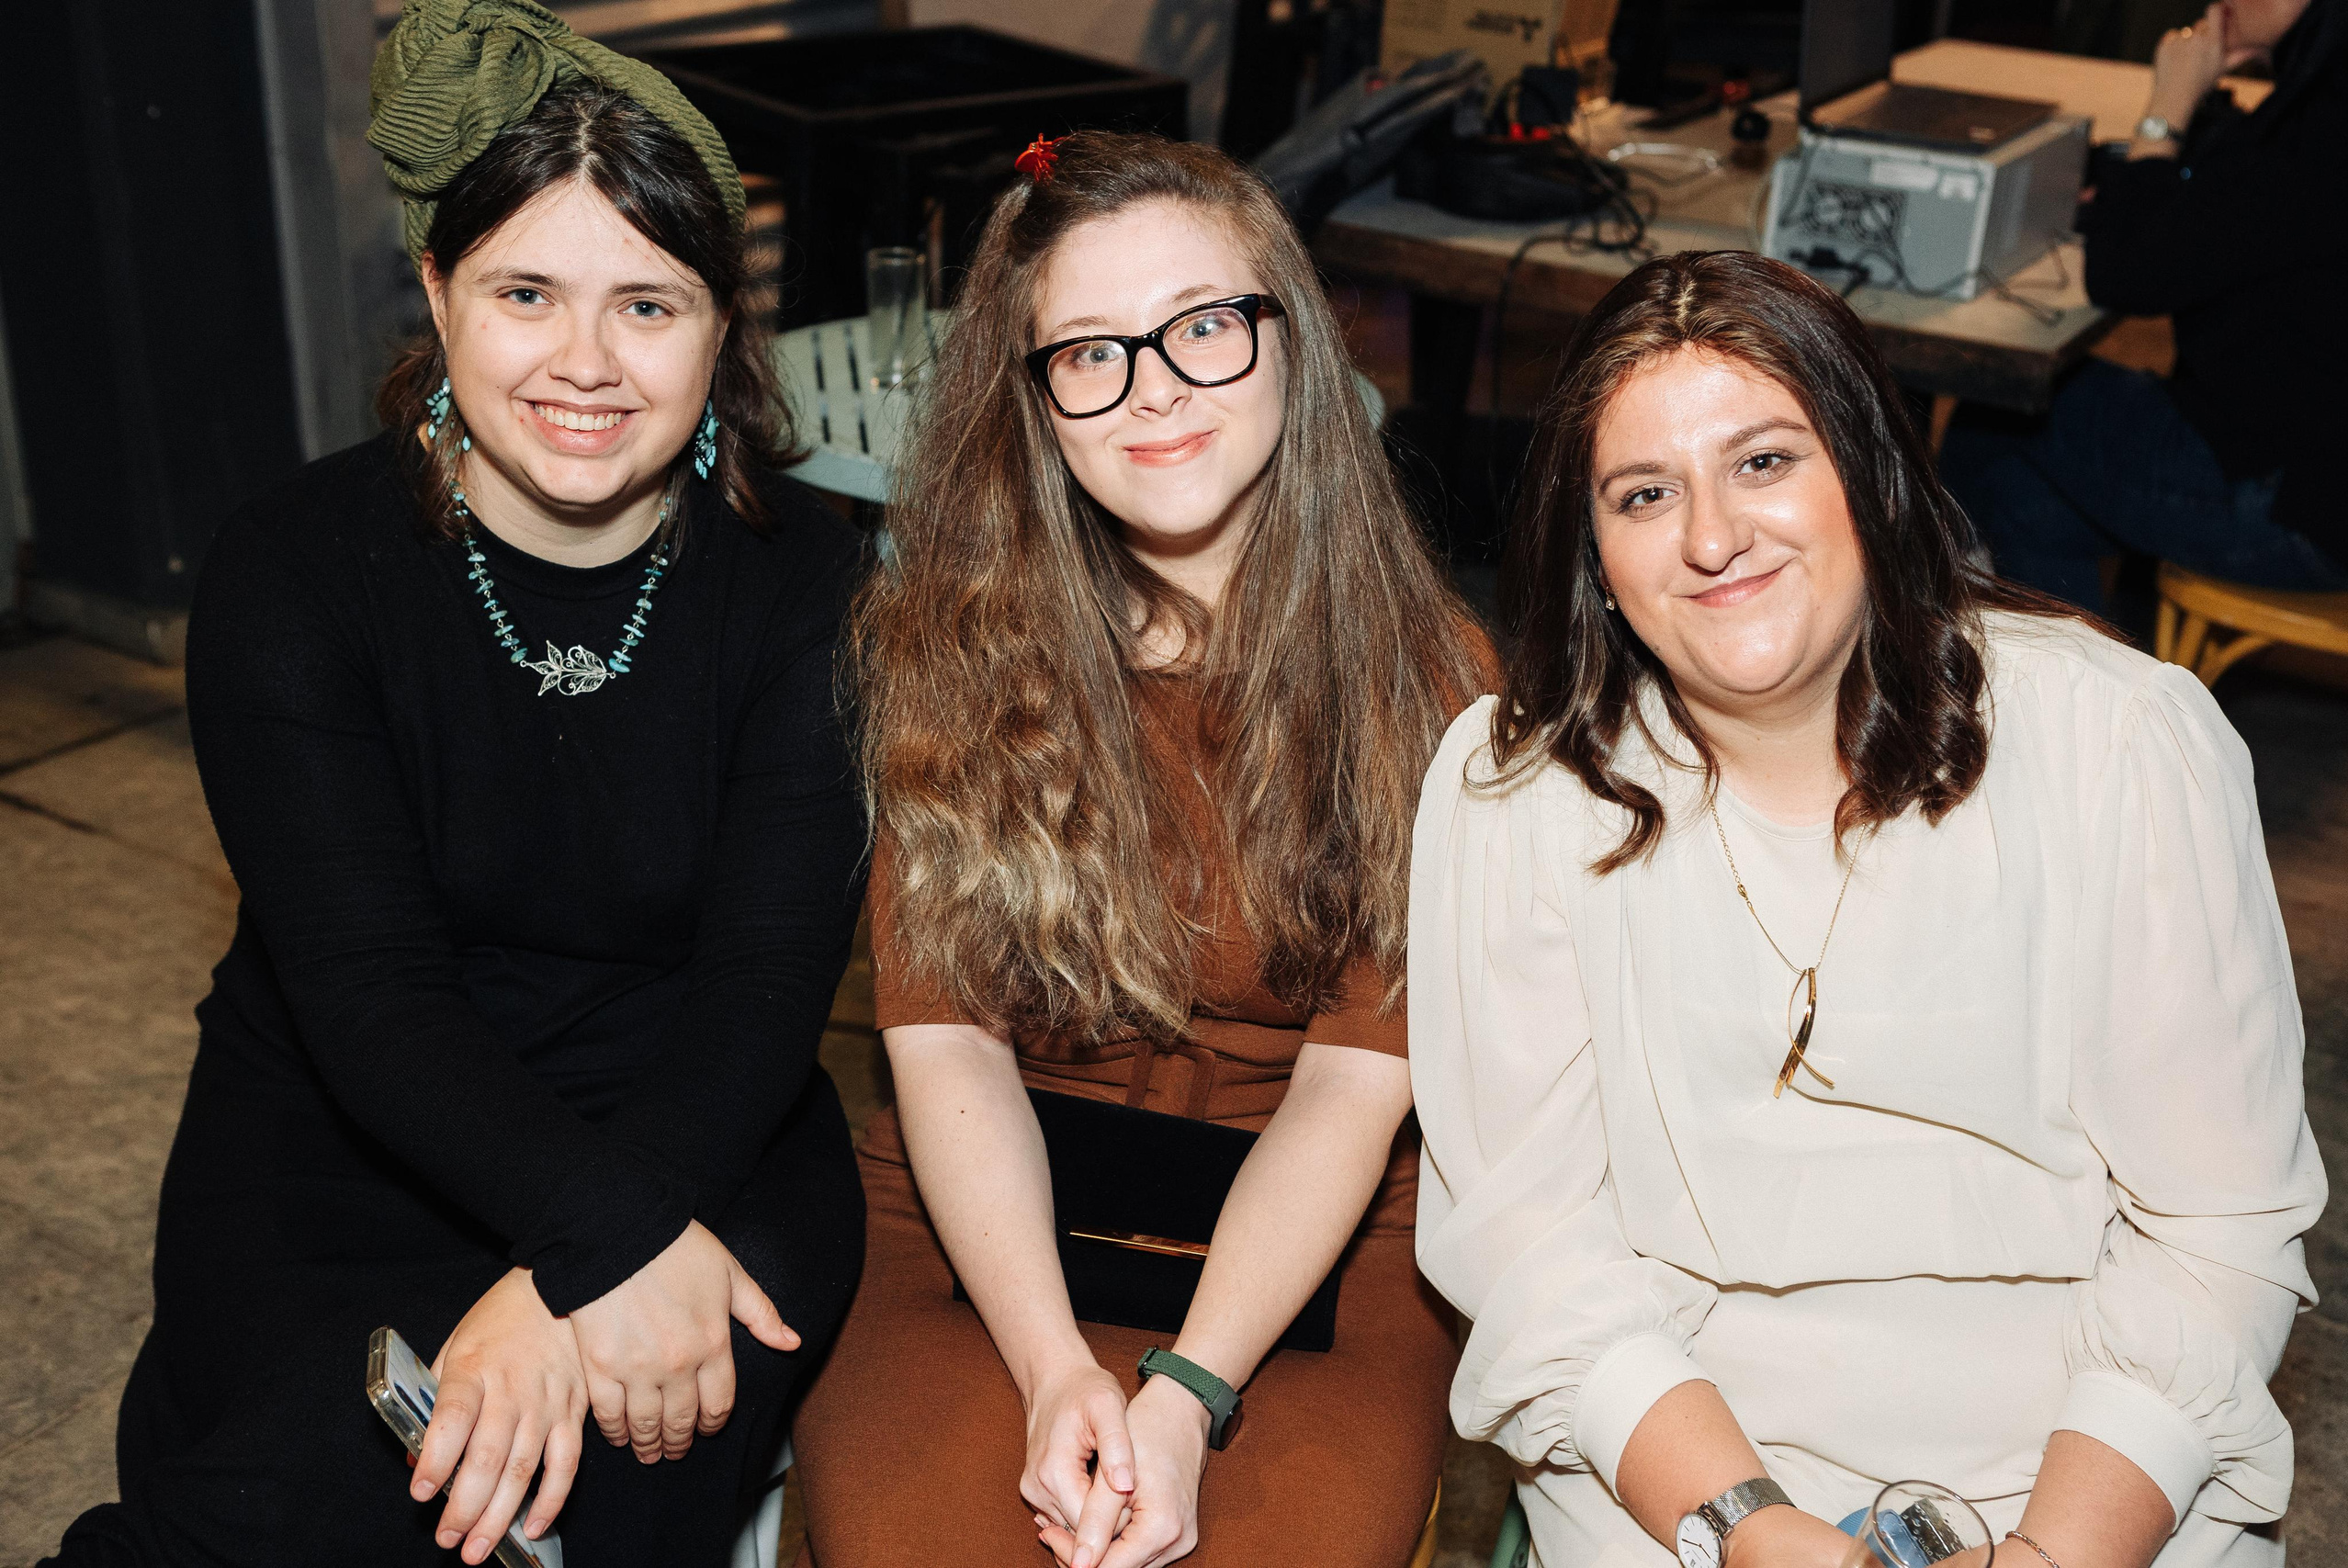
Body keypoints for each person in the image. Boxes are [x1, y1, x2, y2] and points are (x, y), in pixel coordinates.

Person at [40, 6, 866, 1564]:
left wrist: (570, 1284)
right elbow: (371, 997)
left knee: (593, 1463)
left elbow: (765, 986)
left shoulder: (809, 587)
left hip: (700, 1122)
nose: (585, 362)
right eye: (525, 292)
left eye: (648, 304)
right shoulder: (293, 572)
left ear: (721, 329)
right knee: (344, 1485)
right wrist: (600, 1250)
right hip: (350, 1129)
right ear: (438, 292)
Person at [1411, 251, 2326, 1568]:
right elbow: (1534, 1250)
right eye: (1645, 493)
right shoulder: (1521, 794)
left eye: (1764, 461)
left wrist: (2051, 1553)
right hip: (1683, 1479)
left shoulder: (2116, 741)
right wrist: (1749, 1525)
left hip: (2104, 1468)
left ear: (1872, 473)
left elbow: (2213, 1223)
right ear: (1594, 552)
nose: (1712, 536)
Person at [790, 131, 1488, 1568]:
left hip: (1321, 1233)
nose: (1154, 386)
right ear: (1034, 399)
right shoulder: (947, 651)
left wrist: (1187, 1389)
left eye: (1202, 325)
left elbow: (1353, 1089)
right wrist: (1055, 1366)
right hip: (988, 1218)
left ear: (1289, 340)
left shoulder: (1431, 678)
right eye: (1091, 352)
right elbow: (948, 1049)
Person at [1939, 0, 2348, 611]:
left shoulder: (2324, 121)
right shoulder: (2324, 92)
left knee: (1995, 414)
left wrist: (2168, 108)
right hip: (2312, 470)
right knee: (2022, 490)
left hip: (2301, 508)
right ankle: (2098, 661)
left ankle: (1972, 653)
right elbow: (2224, 208)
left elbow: (2126, 273)